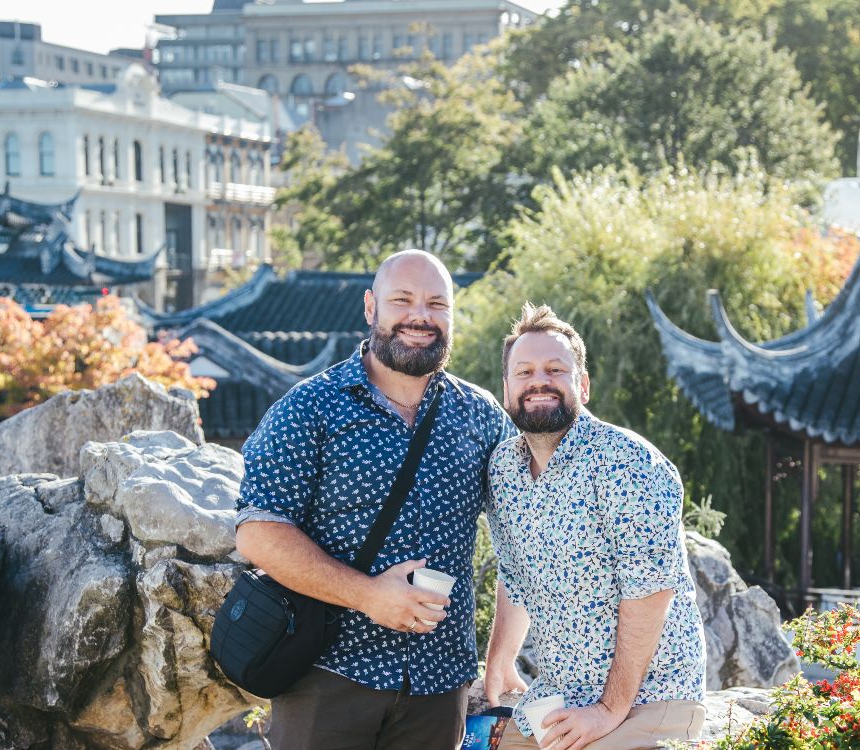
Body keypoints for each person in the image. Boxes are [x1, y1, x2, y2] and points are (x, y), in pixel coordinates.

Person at [235, 250, 515, 750]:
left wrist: (500, 659)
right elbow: (259, 531)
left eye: (436, 303)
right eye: (402, 300)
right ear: (371, 307)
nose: (420, 316)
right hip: (327, 675)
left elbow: (524, 534)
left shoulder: (481, 416)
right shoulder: (310, 407)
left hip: (439, 683)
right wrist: (368, 596)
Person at [484, 303, 707, 750]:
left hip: (647, 700)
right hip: (558, 700)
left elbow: (650, 594)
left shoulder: (627, 461)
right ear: (507, 390)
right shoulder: (504, 468)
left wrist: (608, 711)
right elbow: (513, 575)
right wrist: (500, 660)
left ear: (582, 385)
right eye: (524, 372)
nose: (538, 381)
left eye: (555, 369)